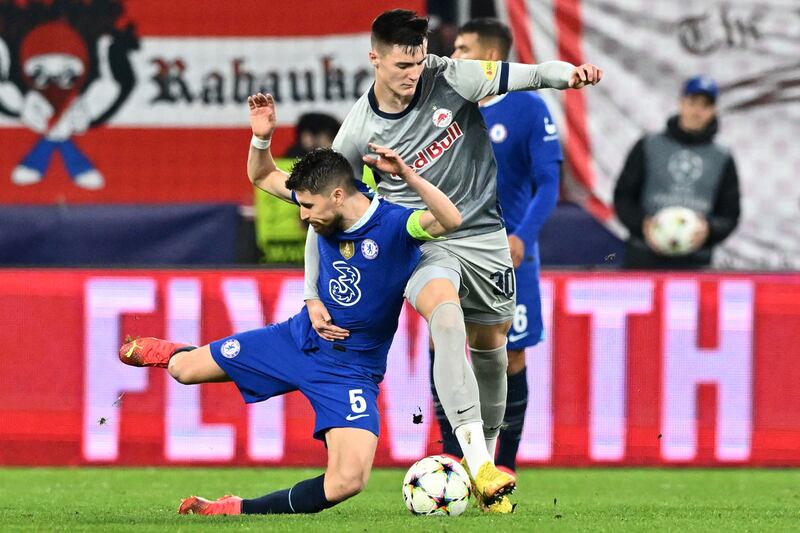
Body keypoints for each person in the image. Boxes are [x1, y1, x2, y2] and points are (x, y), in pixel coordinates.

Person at [278, 9, 601, 513]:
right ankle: (477, 462)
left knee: (492, 349)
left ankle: (488, 464)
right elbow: (322, 216)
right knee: (446, 320)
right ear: (375, 59)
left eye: (418, 60)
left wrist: (571, 75)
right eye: (402, 64)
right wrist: (311, 292)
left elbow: (533, 75)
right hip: (422, 240)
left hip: (483, 237)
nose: (413, 73)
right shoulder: (357, 133)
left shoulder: (452, 75)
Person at [118, 93, 462, 516]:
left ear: (338, 195)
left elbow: (451, 219)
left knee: (347, 482)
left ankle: (235, 508)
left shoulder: (395, 223)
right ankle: (169, 351)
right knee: (184, 371)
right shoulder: (318, 203)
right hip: (298, 338)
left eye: (309, 208)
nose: (302, 218)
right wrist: (261, 139)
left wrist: (408, 174)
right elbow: (263, 176)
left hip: (351, 370)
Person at [425, 18, 563, 473]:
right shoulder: (445, 104)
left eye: (462, 48)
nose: (453, 56)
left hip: (511, 253)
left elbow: (548, 184)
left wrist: (522, 234)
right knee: (442, 343)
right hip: (451, 249)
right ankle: (451, 457)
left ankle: (503, 465)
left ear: (489, 57)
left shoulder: (527, 107)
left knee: (509, 354)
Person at [613, 75, 740, 269]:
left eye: (705, 105)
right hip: (643, 256)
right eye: (693, 102)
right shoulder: (648, 145)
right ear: (681, 103)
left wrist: (709, 230)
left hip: (696, 262)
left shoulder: (722, 157)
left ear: (713, 110)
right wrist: (642, 225)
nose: (697, 111)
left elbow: (730, 214)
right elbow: (623, 197)